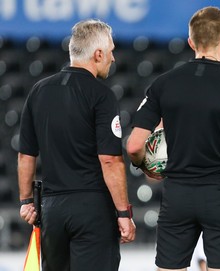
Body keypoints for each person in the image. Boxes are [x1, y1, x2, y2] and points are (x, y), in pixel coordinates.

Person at [126, 6, 220, 271]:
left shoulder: (163, 84)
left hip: (178, 193)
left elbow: (134, 146)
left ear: (191, 41)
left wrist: (146, 165)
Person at [18, 19, 136, 271]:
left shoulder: (38, 91)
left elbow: (25, 155)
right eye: (111, 51)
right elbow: (110, 160)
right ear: (98, 54)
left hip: (51, 211)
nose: (113, 59)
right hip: (92, 209)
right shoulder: (101, 95)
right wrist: (124, 214)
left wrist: (26, 201)